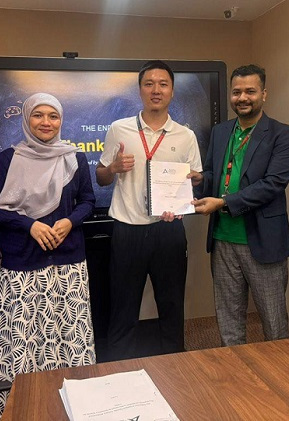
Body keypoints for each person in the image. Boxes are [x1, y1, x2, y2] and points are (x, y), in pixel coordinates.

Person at [0, 93, 96, 420]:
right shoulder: (9, 158)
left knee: (70, 338)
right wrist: (29, 225)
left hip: (68, 264)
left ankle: (75, 408)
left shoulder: (74, 157)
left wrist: (70, 221)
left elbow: (88, 201)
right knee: (21, 342)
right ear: (27, 119)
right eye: (38, 115)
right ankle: (20, 410)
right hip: (23, 264)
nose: (46, 122)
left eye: (53, 116)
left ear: (61, 120)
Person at [96, 60, 202, 360]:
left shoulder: (185, 135)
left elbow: (196, 176)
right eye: (149, 84)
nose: (156, 90)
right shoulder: (119, 129)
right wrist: (113, 168)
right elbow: (101, 177)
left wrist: (188, 185)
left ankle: (175, 367)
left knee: (172, 305)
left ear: (172, 91)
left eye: (163, 84)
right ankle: (119, 370)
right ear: (140, 89)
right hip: (127, 230)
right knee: (123, 307)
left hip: (168, 230)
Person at [191, 64, 289, 345]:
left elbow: (273, 184)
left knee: (274, 324)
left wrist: (222, 202)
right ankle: (234, 371)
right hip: (222, 240)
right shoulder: (221, 131)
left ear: (264, 93)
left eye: (250, 91)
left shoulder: (283, 134)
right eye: (236, 92)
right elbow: (213, 173)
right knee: (229, 322)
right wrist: (201, 179)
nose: (242, 98)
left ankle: (280, 371)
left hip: (263, 241)